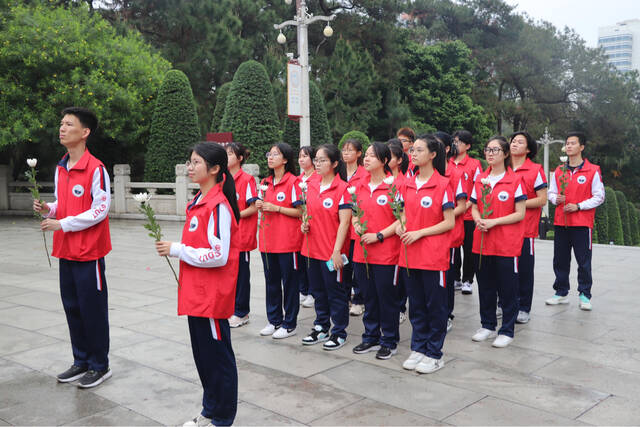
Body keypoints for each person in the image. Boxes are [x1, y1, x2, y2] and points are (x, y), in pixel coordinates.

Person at [156, 142, 240, 427]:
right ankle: (210, 408)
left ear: (215, 169)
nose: (190, 167)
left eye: (196, 162)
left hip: (212, 298)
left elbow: (219, 255)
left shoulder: (218, 207)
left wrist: (177, 249)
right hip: (197, 295)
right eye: (189, 162)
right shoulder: (198, 203)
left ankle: (223, 416)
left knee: (219, 359)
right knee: (204, 357)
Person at [34, 107, 112, 388]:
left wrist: (62, 223)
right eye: (61, 124)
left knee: (93, 309)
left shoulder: (97, 169)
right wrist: (48, 209)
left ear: (85, 132)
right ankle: (80, 361)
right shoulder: (61, 167)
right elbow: (62, 203)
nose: (62, 128)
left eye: (69, 124)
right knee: (72, 307)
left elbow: (100, 210)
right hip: (66, 249)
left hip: (89, 252)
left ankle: (100, 365)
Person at [397, 135, 455, 374]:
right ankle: (418, 348)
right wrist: (401, 225)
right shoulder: (407, 183)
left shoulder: (443, 184)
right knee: (417, 305)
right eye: (413, 150)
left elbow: (449, 222)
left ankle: (434, 353)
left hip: (433, 255)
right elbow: (400, 213)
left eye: (419, 150)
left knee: (436, 307)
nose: (413, 153)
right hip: (409, 255)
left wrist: (419, 233)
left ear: (433, 154)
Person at [470, 136, 526, 348]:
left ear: (505, 154)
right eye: (487, 149)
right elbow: (474, 205)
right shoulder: (480, 179)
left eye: (495, 150)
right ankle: (487, 324)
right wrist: (478, 219)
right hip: (482, 242)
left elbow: (520, 213)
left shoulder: (514, 180)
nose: (490, 153)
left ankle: (507, 330)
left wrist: (494, 222)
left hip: (506, 244)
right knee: (485, 286)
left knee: (507, 288)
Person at [351, 142, 402, 360]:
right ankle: (370, 336)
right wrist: (356, 224)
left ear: (383, 161)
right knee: (368, 297)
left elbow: (402, 219)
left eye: (373, 155)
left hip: (386, 252)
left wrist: (379, 235)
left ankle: (389, 340)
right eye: (367, 155)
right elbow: (354, 213)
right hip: (362, 253)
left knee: (386, 299)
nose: (367, 158)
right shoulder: (359, 186)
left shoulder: (394, 186)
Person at [300, 144, 352, 350]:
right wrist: (304, 223)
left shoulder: (343, 189)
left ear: (335, 164)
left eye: (322, 160)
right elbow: (307, 211)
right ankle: (321, 327)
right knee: (318, 291)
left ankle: (339, 332)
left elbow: (345, 223)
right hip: (311, 250)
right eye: (316, 160)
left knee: (336, 293)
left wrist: (337, 251)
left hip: (332, 253)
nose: (317, 164)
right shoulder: (311, 184)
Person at [546, 131, 604, 311]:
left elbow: (599, 196)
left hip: (581, 223)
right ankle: (561, 292)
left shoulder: (592, 170)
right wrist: (556, 199)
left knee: (583, 261)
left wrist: (578, 206)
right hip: (561, 222)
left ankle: (585, 294)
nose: (569, 146)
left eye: (573, 143)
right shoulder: (559, 170)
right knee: (560, 260)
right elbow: (550, 192)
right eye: (567, 143)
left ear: (582, 147)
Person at [256, 143, 303, 339]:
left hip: (288, 242)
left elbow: (300, 212)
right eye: (269, 154)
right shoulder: (265, 182)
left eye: (275, 154)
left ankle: (289, 323)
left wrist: (277, 208)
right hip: (268, 241)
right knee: (271, 282)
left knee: (290, 284)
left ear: (285, 159)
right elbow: (261, 206)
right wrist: (260, 204)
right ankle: (274, 320)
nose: (270, 157)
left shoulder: (293, 182)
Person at [509, 132, 547, 324]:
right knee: (505, 269)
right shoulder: (502, 168)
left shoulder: (535, 170)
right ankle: (505, 303)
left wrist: (518, 204)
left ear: (528, 149)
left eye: (520, 142)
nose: (514, 144)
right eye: (513, 141)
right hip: (503, 228)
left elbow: (542, 199)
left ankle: (524, 307)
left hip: (525, 228)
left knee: (524, 269)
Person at [435, 131, 468, 333]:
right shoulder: (425, 173)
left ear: (447, 149)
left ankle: (447, 313)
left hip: (450, 234)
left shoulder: (455, 174)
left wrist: (442, 218)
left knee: (446, 276)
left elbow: (462, 206)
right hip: (429, 234)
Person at [226, 142, 259, 329]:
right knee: (229, 274)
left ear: (239, 159)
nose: (226, 157)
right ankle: (231, 309)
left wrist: (234, 216)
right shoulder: (222, 178)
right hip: (226, 236)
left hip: (241, 235)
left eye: (230, 154)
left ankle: (242, 312)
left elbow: (253, 207)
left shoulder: (246, 180)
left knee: (241, 276)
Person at [449, 130, 482, 295]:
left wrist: (468, 205)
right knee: (453, 247)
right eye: (454, 141)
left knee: (468, 248)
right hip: (452, 213)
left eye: (459, 142)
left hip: (468, 214)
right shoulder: (447, 162)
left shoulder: (475, 164)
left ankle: (468, 279)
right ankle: (455, 277)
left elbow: (478, 188)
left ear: (468, 146)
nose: (456, 144)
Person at [341, 139, 368, 316]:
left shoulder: (365, 174)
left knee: (356, 265)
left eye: (350, 150)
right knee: (342, 265)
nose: (346, 153)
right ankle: (344, 297)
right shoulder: (339, 173)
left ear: (359, 154)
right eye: (343, 150)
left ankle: (359, 299)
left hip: (357, 228)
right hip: (340, 227)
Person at [387, 139, 410, 324]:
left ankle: (401, 306)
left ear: (400, 160)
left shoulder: (403, 183)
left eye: (389, 156)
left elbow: (403, 214)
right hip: (382, 238)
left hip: (397, 237)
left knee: (399, 277)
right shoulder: (380, 182)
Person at [298, 146, 320, 309]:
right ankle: (304, 289)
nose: (301, 159)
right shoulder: (298, 179)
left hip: (314, 226)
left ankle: (313, 291)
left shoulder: (317, 178)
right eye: (299, 156)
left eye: (305, 156)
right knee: (302, 260)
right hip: (299, 225)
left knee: (312, 260)